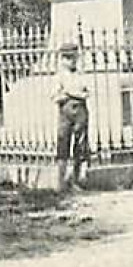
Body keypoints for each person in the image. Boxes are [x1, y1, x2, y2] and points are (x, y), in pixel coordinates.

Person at [52, 44, 91, 191]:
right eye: (67, 58)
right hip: (65, 112)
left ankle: (78, 179)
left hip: (80, 111)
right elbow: (55, 96)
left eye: (73, 58)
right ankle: (61, 181)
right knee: (63, 143)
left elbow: (86, 93)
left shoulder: (80, 75)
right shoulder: (60, 76)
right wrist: (70, 94)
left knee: (80, 144)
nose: (71, 61)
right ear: (61, 59)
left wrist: (70, 93)